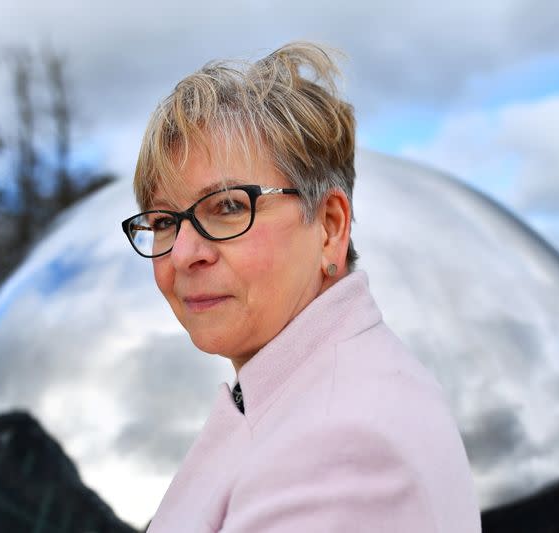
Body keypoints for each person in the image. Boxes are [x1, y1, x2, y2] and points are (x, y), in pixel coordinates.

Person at [122, 41, 481, 532]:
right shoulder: (319, 391)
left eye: (228, 207)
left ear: (330, 227)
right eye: (164, 221)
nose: (184, 254)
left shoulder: (340, 444)